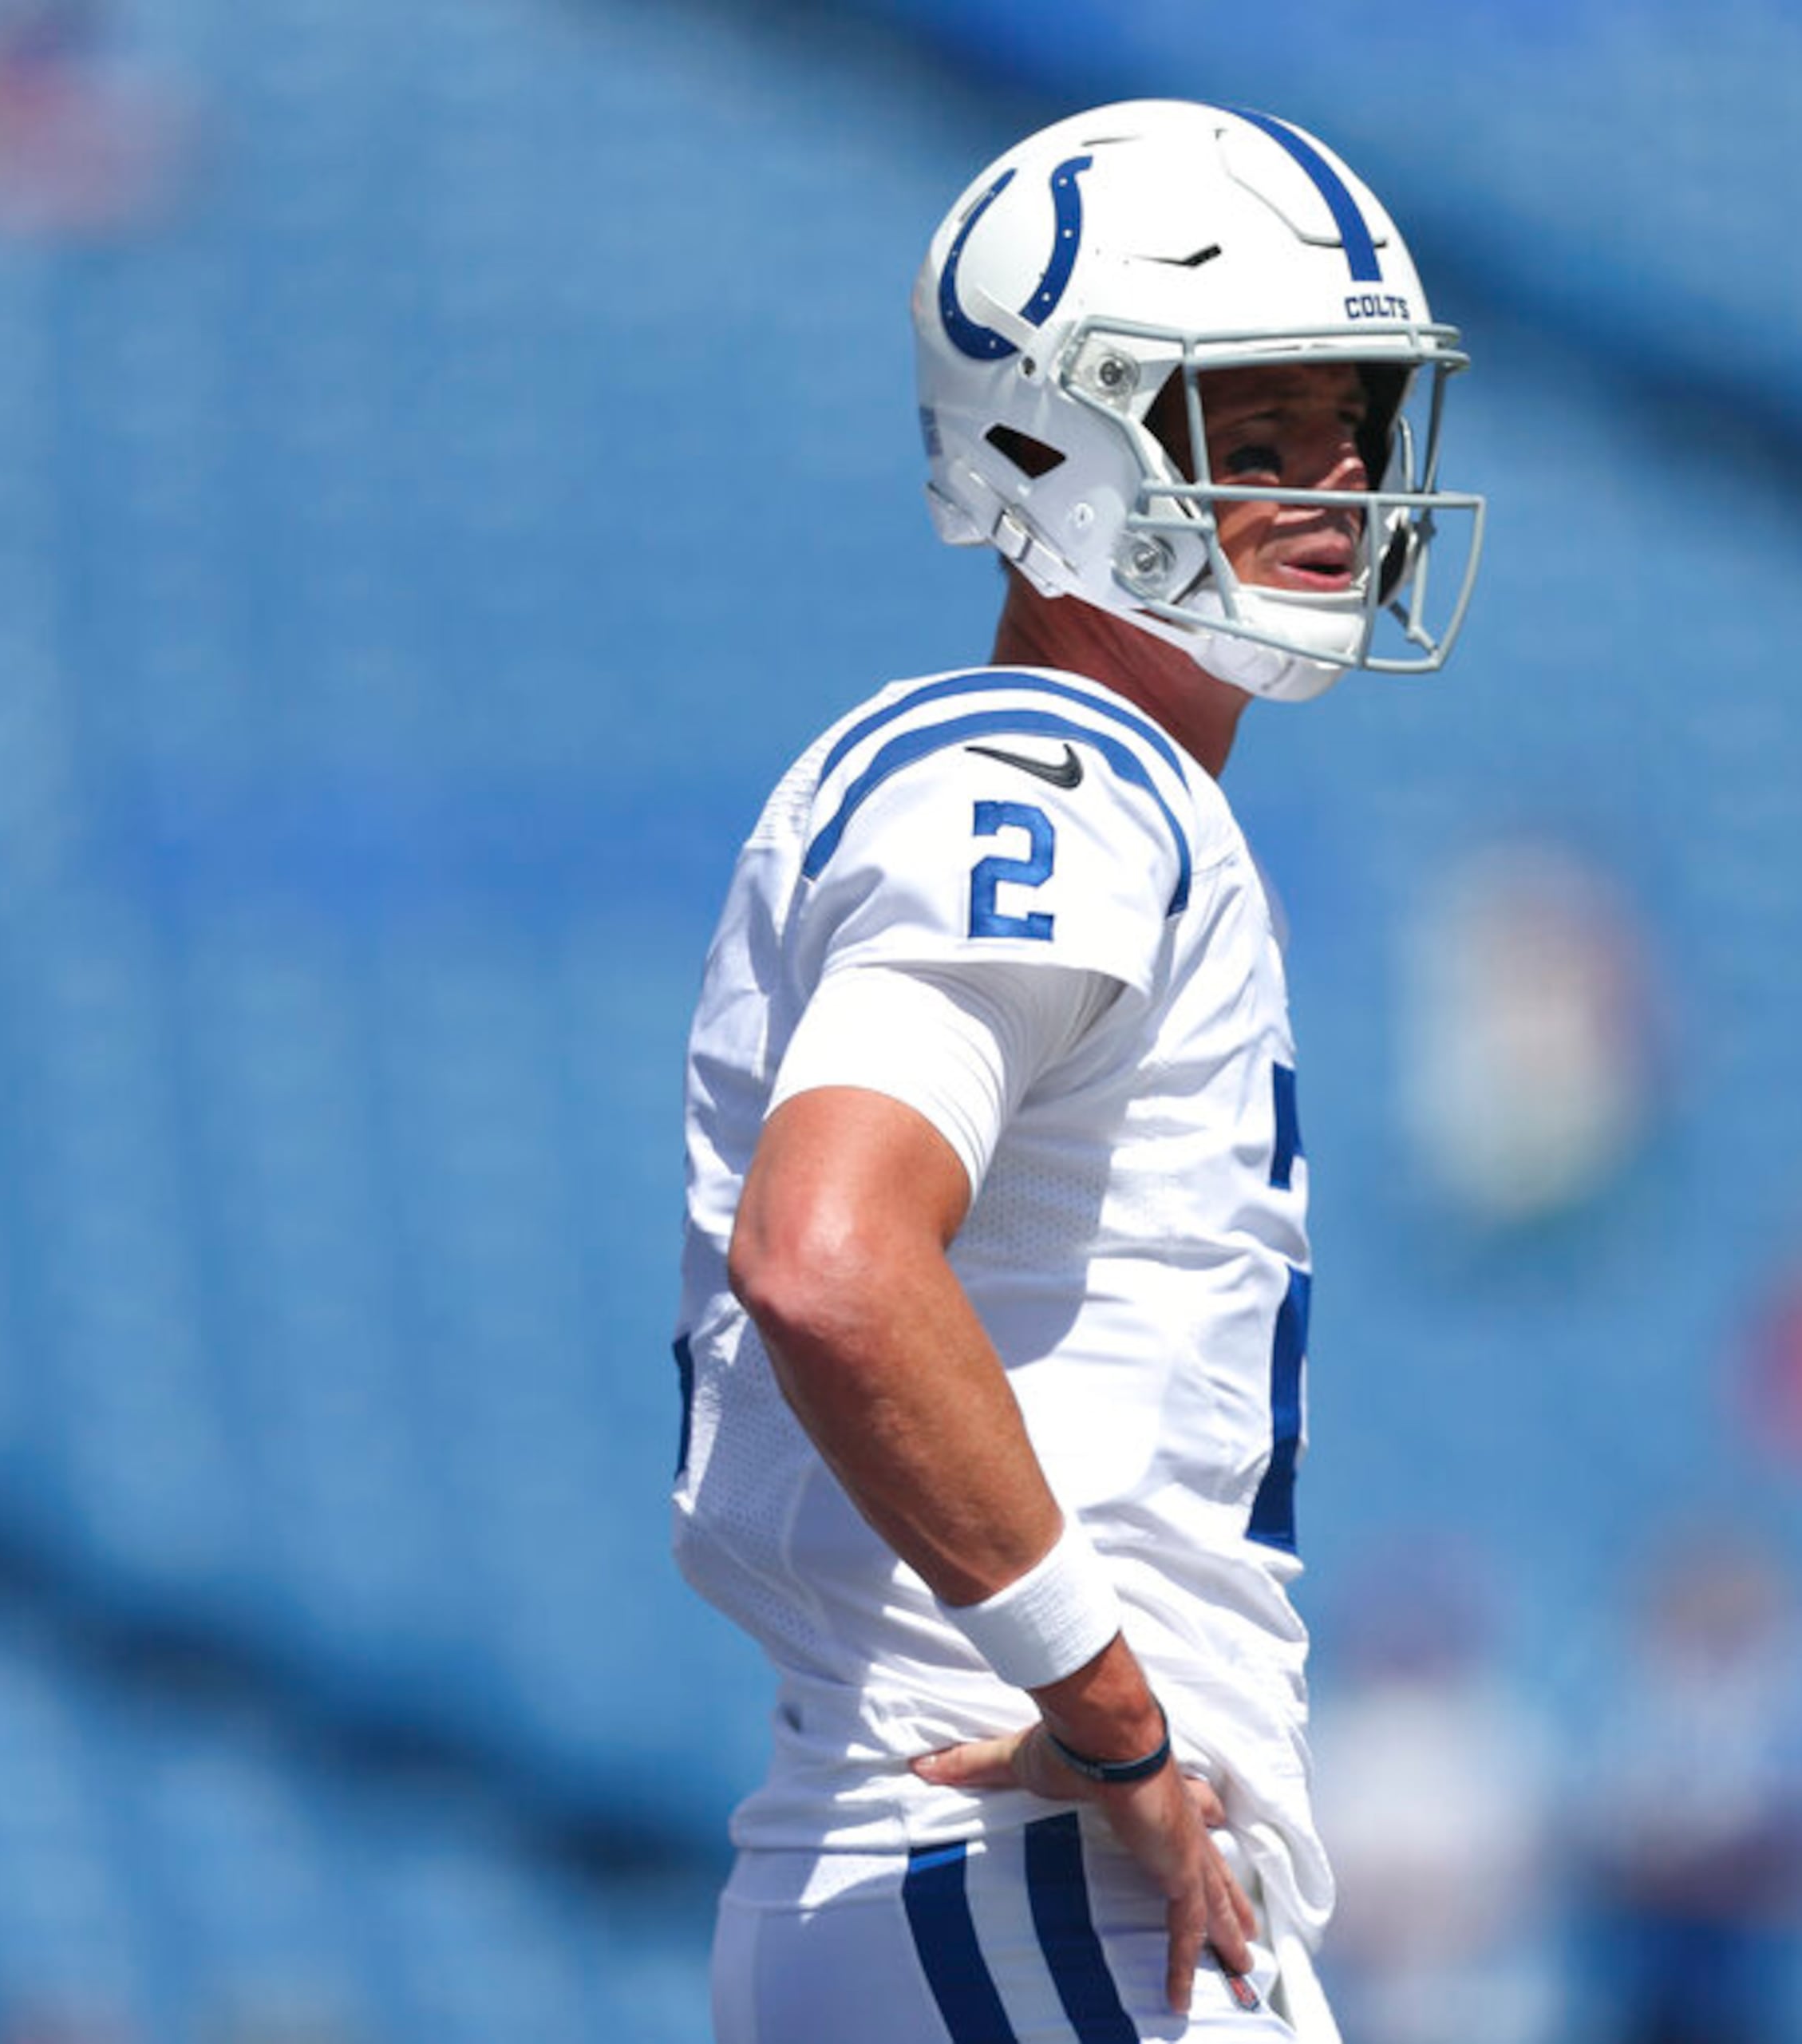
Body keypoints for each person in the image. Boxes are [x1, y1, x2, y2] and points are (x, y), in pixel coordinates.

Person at [671, 100, 1481, 2042]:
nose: (1343, 482)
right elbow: (833, 1255)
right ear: (1053, 436)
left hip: (997, 1883)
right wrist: (1110, 1722)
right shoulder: (1046, 774)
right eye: (1257, 433)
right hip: (1030, 1870)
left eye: (1353, 425)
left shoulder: (1106, 797)